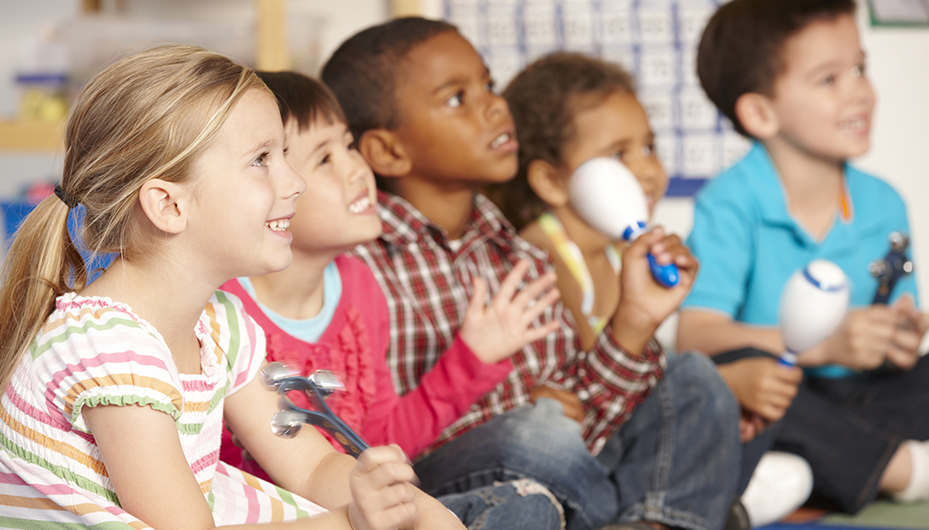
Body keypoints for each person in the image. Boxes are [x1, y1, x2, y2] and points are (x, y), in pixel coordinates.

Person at [0, 45, 465, 530]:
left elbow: (310, 466)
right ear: (169, 206)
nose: (296, 181)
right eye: (262, 159)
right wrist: (355, 523)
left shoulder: (218, 324)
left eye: (284, 154)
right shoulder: (107, 350)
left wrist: (415, 508)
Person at [323, 18, 748, 530]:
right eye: (457, 97)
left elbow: (584, 421)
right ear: (389, 151)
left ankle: (653, 518)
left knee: (694, 380)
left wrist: (634, 320)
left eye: (488, 85)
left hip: (563, 473)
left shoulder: (517, 254)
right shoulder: (358, 264)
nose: (494, 105)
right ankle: (679, 510)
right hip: (450, 490)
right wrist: (525, 413)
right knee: (537, 432)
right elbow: (371, 443)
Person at [218, 70, 564, 530]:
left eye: (348, 145)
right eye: (324, 159)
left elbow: (376, 443)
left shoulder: (359, 286)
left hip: (357, 507)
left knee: (526, 504)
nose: (357, 169)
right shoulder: (222, 308)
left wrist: (471, 360)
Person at [488, 50, 812, 528]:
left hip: (622, 439)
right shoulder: (544, 255)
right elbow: (592, 392)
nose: (646, 169)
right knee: (702, 378)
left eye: (649, 146)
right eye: (619, 154)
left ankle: (708, 499)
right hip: (579, 452)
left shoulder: (620, 253)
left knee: (745, 388)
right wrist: (721, 387)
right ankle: (710, 505)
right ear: (552, 181)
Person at [678, 0, 929, 515]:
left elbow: (900, 332)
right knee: (732, 373)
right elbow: (697, 337)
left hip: (866, 402)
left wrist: (900, 339)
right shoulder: (731, 202)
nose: (860, 92)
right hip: (781, 402)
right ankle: (905, 471)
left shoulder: (883, 202)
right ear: (760, 112)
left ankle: (812, 471)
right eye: (829, 80)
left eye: (860, 69)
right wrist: (823, 346)